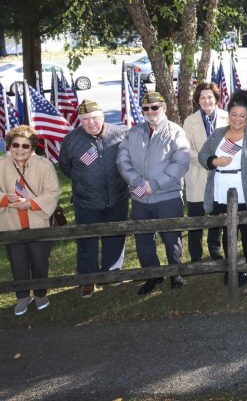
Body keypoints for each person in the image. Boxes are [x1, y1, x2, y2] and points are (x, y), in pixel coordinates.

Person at [117, 92, 190, 296]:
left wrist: (156, 185)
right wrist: (138, 183)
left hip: (167, 196)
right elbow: (122, 160)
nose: (150, 112)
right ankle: (153, 275)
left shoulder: (175, 132)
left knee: (171, 237)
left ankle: (175, 273)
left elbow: (181, 162)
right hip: (141, 198)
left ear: (163, 108)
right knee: (143, 240)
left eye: (154, 107)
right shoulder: (133, 133)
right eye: (146, 109)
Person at [199, 90, 247, 287]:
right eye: (233, 115)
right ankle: (231, 266)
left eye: (242, 116)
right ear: (228, 114)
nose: (237, 119)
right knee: (227, 230)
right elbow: (202, 155)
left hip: (246, 189)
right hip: (221, 189)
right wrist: (215, 160)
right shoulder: (218, 135)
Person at [59, 100, 129, 299]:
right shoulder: (71, 140)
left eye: (95, 118)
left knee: (115, 236)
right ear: (79, 121)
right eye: (86, 120)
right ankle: (88, 279)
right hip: (86, 201)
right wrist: (84, 181)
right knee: (87, 241)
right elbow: (65, 166)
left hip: (117, 197)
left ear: (103, 116)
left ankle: (112, 273)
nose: (91, 123)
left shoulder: (119, 134)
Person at [1, 126, 60, 316]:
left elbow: (53, 192)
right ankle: (22, 296)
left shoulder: (45, 165)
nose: (20, 149)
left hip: (37, 221)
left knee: (40, 260)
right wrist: (4, 199)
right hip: (11, 223)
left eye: (25, 146)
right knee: (17, 261)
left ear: (32, 147)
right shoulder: (1, 164)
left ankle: (41, 293)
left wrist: (31, 204)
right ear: (9, 145)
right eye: (15, 145)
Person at [182, 82, 228, 263]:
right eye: (202, 97)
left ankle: (215, 250)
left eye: (210, 97)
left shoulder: (226, 117)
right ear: (197, 100)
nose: (206, 101)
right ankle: (195, 254)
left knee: (216, 217)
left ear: (216, 99)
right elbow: (186, 150)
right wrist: (209, 161)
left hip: (221, 177)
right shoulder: (189, 121)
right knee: (196, 219)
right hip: (197, 175)